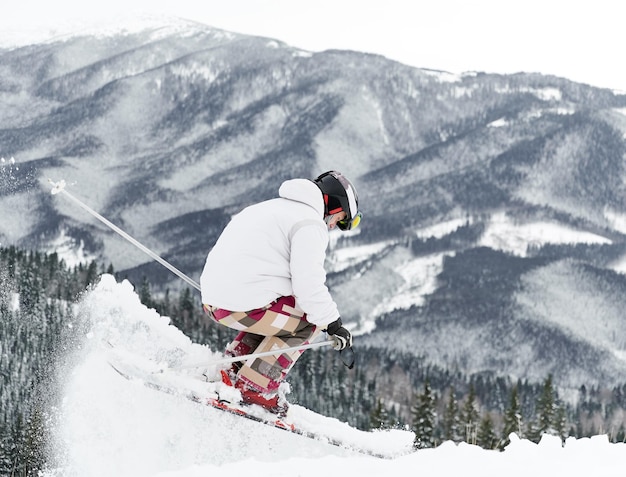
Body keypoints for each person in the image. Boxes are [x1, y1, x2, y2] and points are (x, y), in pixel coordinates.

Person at [200, 170, 361, 416]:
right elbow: (309, 285)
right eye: (340, 219)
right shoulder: (309, 223)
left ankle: (234, 367)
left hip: (213, 300)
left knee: (281, 311)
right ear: (332, 204)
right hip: (240, 307)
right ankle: (255, 387)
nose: (334, 226)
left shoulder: (269, 207)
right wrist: (334, 324)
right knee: (310, 321)